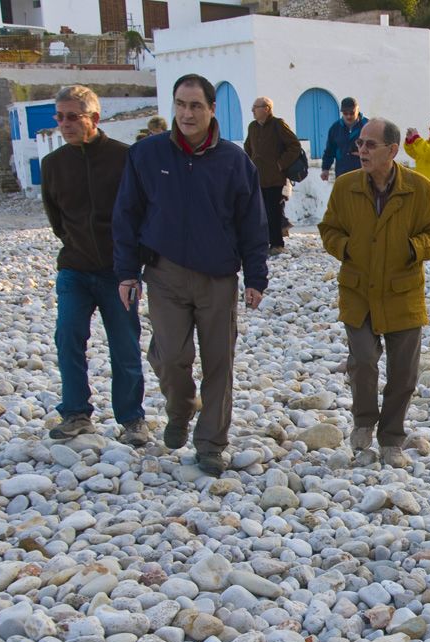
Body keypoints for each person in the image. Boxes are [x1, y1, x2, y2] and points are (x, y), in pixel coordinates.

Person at [113, 73, 269, 478]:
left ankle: (211, 443)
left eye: (195, 106)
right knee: (169, 357)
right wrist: (127, 272)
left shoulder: (235, 161)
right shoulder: (146, 155)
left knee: (219, 363)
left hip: (218, 278)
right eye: (180, 105)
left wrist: (256, 278)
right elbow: (126, 215)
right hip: (164, 273)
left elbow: (253, 223)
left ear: (212, 109)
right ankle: (181, 407)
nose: (187, 114)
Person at [319, 118, 430, 468]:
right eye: (360, 144)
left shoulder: (419, 189)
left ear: (392, 151)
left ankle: (392, 438)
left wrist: (412, 249)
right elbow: (329, 229)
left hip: (402, 292)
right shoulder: (345, 186)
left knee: (404, 373)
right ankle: (364, 420)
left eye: (370, 145)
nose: (361, 150)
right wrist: (347, 248)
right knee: (363, 360)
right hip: (358, 291)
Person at [41, 84, 150, 447]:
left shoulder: (125, 158)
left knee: (125, 345)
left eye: (73, 117)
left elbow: (140, 212)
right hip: (74, 268)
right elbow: (57, 220)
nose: (65, 124)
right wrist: (76, 245)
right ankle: (76, 414)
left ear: (94, 118)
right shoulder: (53, 164)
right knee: (68, 337)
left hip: (118, 272)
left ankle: (132, 418)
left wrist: (131, 262)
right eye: (60, 117)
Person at [244, 96, 302, 256]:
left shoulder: (278, 124)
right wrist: (249, 163)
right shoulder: (253, 127)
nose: (252, 110)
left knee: (274, 211)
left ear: (266, 109)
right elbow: (248, 147)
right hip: (257, 177)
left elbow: (294, 146)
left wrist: (280, 164)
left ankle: (277, 243)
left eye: (255, 107)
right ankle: (264, 242)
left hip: (275, 178)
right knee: (260, 212)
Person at [321, 97, 367, 181]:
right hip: (342, 173)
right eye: (345, 113)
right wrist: (325, 169)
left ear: (357, 110)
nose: (348, 116)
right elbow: (329, 151)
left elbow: (377, 148)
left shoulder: (367, 126)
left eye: (352, 113)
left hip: (364, 173)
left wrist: (363, 154)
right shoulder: (335, 128)